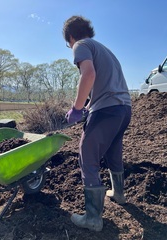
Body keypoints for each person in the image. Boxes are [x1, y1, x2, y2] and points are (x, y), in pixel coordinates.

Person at [63, 16, 132, 232]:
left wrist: (76, 107)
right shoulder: (105, 50)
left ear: (71, 37)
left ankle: (93, 217)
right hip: (123, 109)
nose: (70, 47)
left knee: (87, 153)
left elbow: (89, 74)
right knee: (113, 150)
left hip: (107, 110)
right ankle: (118, 194)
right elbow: (102, 85)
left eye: (68, 43)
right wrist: (87, 106)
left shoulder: (81, 45)